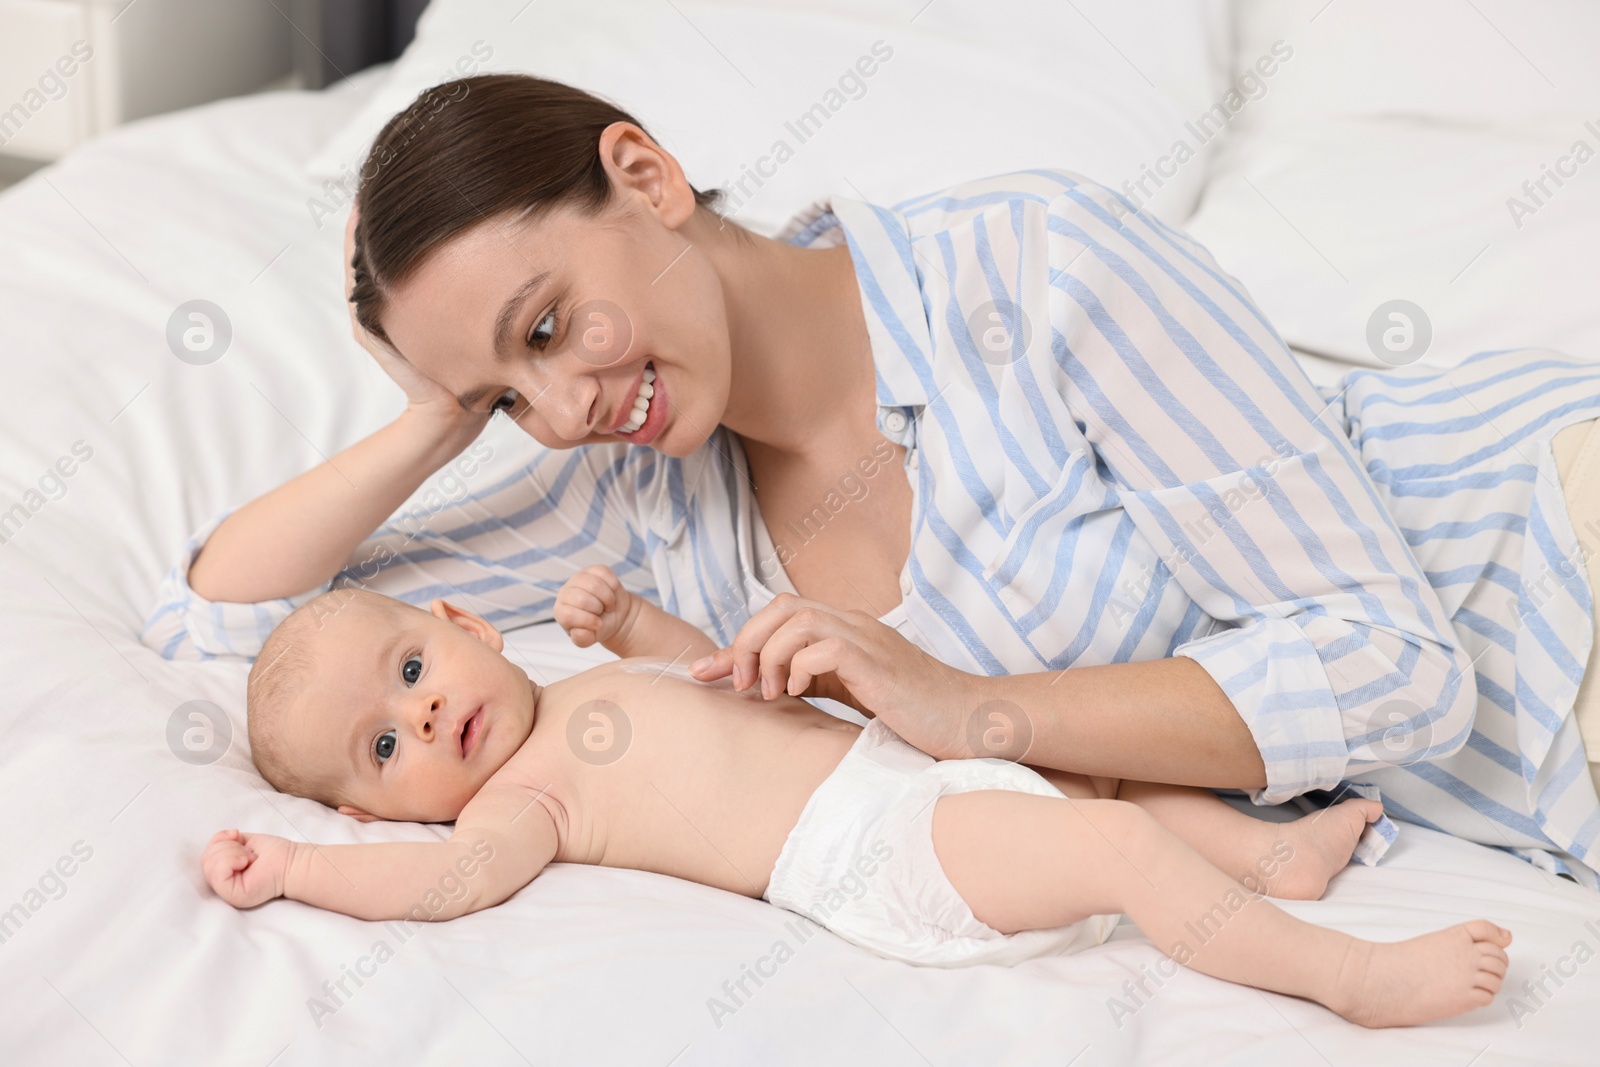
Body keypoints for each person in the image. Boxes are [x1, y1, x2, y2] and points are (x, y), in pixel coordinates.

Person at [145, 73, 1600, 886]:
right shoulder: (638, 493)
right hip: (1523, 794)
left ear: (646, 176)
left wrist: (967, 708)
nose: (562, 405)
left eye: (545, 326)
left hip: (1542, 541)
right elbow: (235, 629)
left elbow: (1400, 670)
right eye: (506, 395)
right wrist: (437, 415)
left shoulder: (1041, 270)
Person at [201, 574, 1511, 1029]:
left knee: (1089, 776)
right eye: (384, 749)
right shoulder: (523, 803)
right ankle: (1347, 978)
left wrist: (639, 621)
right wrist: (300, 871)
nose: (423, 714)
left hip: (911, 777)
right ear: (379, 814)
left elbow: (697, 679)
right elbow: (451, 886)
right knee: (1107, 841)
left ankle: (1262, 862)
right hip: (876, 850)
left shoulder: (567, 681)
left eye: (413, 672)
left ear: (456, 621)